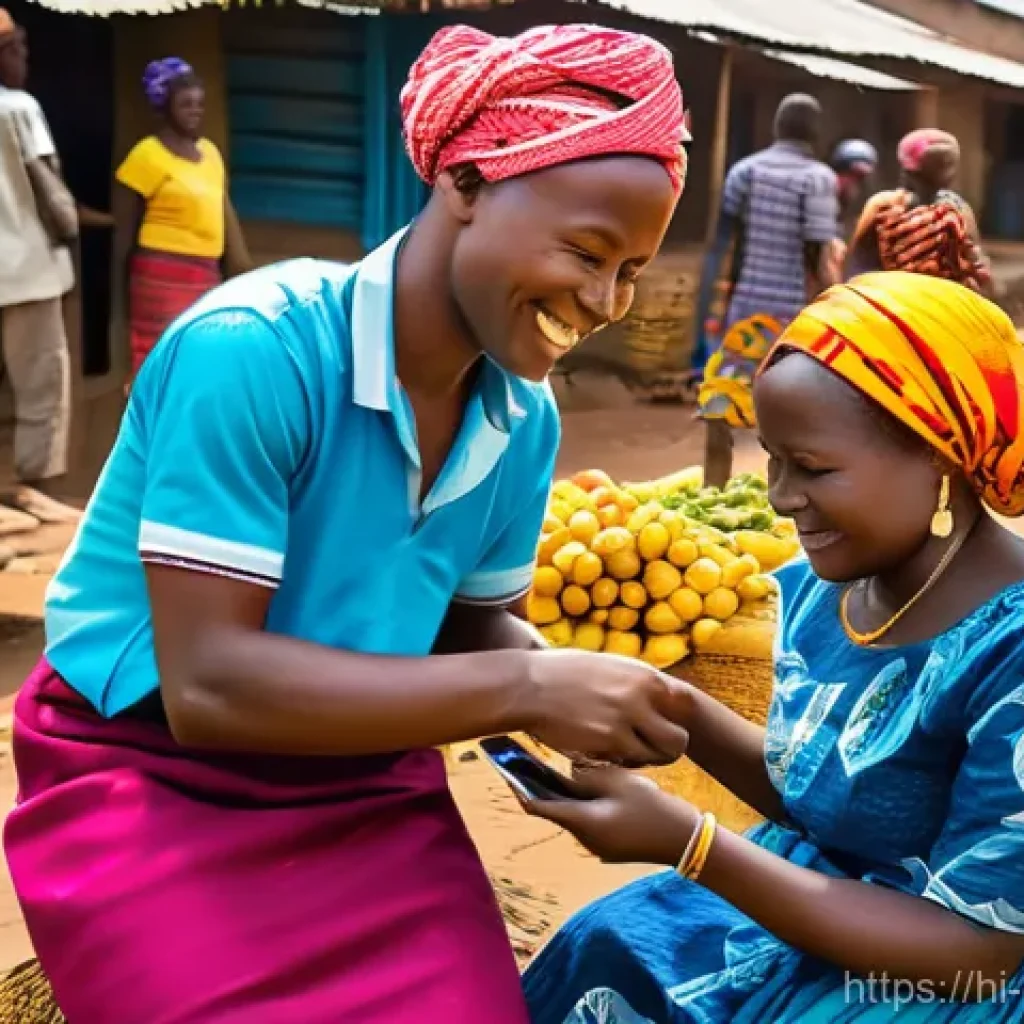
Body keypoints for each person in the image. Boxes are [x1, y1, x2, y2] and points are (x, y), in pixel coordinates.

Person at [4, 23, 691, 1024]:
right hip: (142, 772)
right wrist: (528, 683)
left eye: (629, 269)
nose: (603, 301)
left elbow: (466, 622)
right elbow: (208, 688)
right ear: (463, 182)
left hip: (362, 775)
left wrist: (581, 694)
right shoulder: (254, 352)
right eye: (586, 251)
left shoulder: (521, 417)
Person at [522, 271, 1024, 1023]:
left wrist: (692, 845)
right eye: (774, 458)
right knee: (607, 946)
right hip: (813, 899)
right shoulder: (830, 589)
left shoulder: (1009, 648)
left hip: (930, 977)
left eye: (814, 468)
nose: (780, 495)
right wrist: (672, 707)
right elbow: (830, 799)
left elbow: (976, 954)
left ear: (939, 458)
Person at [695, 94, 839, 489]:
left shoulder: (745, 171)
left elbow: (726, 243)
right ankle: (790, 495)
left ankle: (713, 488)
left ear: (777, 126)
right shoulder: (818, 178)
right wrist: (828, 303)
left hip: (746, 305)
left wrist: (717, 303)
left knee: (722, 397)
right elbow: (816, 250)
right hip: (794, 312)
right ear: (814, 132)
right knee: (799, 405)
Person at [0, 10, 88, 528]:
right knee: (40, 382)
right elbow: (49, 188)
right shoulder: (19, 108)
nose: (25, 61)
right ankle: (29, 491)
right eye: (19, 51)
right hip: (27, 269)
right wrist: (72, 233)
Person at [115, 57, 251, 391]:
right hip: (159, 280)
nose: (195, 111)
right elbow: (122, 237)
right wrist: (118, 307)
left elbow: (222, 218)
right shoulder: (147, 154)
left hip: (204, 276)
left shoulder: (210, 154)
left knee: (196, 362)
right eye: (185, 104)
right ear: (165, 107)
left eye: (200, 104)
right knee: (158, 367)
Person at [846, 129, 992, 294]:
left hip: (892, 298)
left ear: (906, 171)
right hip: (945, 304)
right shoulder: (959, 209)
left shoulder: (881, 205)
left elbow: (856, 261)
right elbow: (979, 270)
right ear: (950, 175)